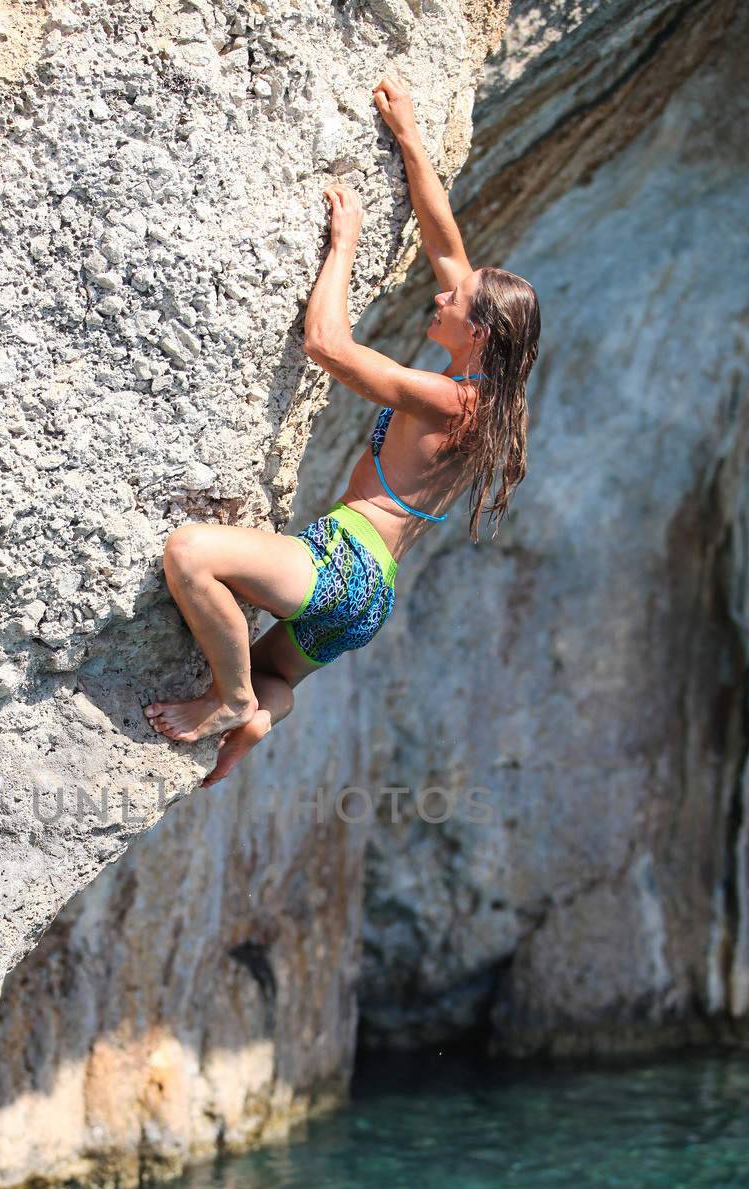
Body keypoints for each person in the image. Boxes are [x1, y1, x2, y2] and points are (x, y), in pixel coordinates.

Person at [143, 67, 541, 788]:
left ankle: (231, 703)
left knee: (191, 553)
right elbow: (446, 248)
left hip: (341, 566)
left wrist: (343, 247)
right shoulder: (488, 394)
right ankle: (262, 711)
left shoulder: (449, 400)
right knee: (273, 673)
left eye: (457, 301)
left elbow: (328, 347)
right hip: (369, 593)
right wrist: (410, 139)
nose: (442, 292)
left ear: (479, 332)